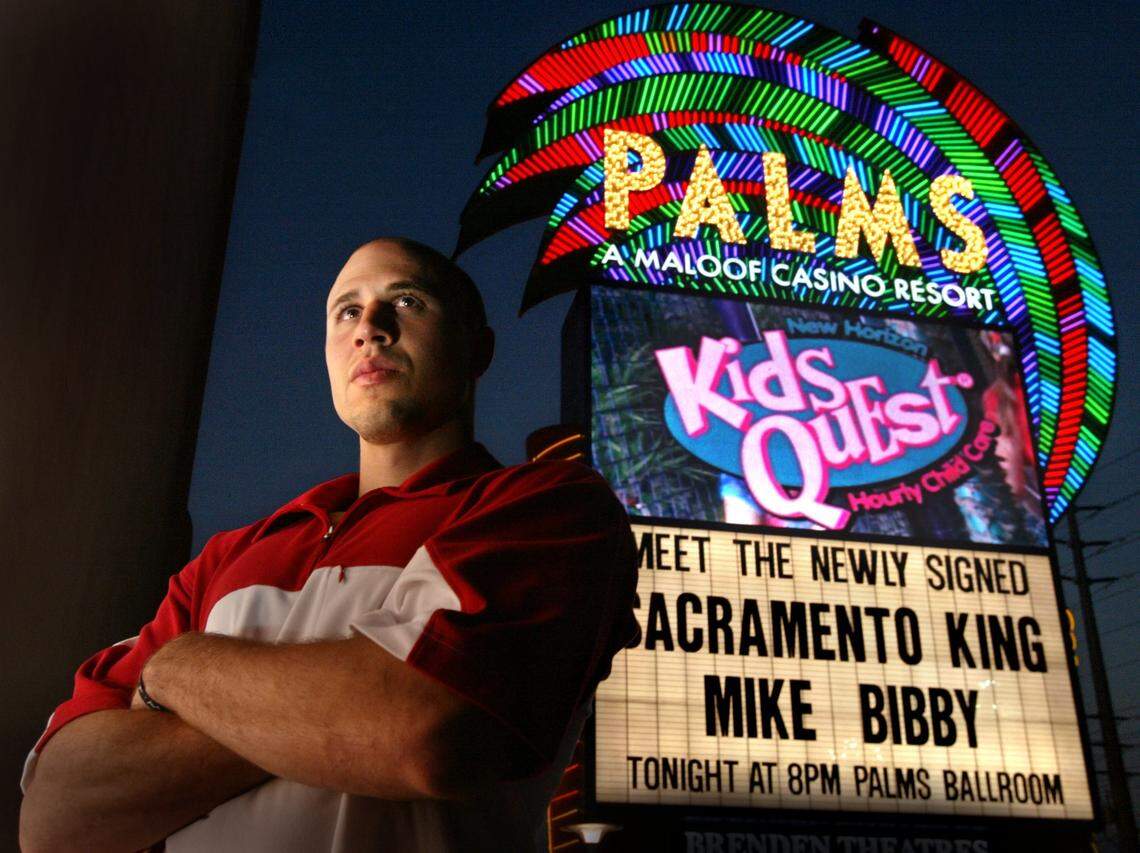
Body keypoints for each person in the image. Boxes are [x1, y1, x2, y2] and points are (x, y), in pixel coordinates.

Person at [18, 238, 638, 853]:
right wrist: (331, 715)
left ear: (479, 348)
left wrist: (174, 669)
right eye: (347, 311)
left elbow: (418, 732)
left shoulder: (548, 507)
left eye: (408, 301)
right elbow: (58, 817)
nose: (371, 328)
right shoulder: (227, 556)